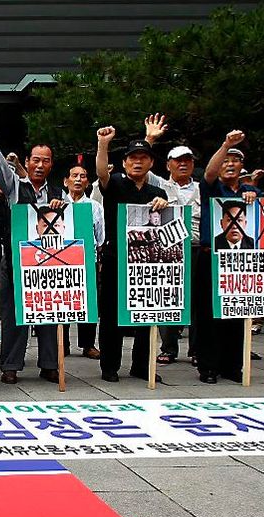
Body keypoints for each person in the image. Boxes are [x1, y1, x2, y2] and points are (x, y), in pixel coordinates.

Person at [0, 108, 64, 383]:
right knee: (14, 315)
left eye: (46, 161)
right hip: (15, 260)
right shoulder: (15, 186)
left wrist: (62, 209)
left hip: (50, 264)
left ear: (51, 165)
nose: (40, 165)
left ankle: (50, 363)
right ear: (27, 161)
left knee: (50, 310)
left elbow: (73, 225)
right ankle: (11, 365)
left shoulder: (59, 193)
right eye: (35, 160)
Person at [95, 128, 169, 383]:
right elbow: (101, 172)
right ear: (125, 162)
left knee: (148, 315)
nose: (137, 162)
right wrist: (103, 144)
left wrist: (165, 205)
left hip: (148, 263)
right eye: (132, 158)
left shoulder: (157, 193)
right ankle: (109, 366)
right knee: (111, 316)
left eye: (143, 157)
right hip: (116, 258)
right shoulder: (114, 183)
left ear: (150, 162)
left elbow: (168, 225)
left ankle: (141, 365)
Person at [193, 130, 259, 384]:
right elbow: (209, 172)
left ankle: (232, 365)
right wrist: (226, 144)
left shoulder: (248, 190)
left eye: (235, 160)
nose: (229, 164)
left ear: (242, 167)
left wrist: (253, 197)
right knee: (209, 315)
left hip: (241, 262)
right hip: (211, 257)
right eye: (225, 160)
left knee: (237, 313)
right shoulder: (211, 187)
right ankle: (208, 366)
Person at [143, 115, 203, 365]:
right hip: (170, 250)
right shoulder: (159, 184)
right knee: (169, 296)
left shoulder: (202, 187)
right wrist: (149, 139)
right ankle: (168, 347)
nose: (183, 165)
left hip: (198, 247)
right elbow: (141, 166)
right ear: (168, 164)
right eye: (178, 161)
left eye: (187, 161)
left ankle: (197, 349)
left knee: (198, 301)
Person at [62, 164, 105, 359]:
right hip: (62, 260)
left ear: (88, 182)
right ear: (66, 181)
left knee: (88, 302)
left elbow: (100, 237)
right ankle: (62, 343)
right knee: (62, 302)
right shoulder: (58, 204)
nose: (79, 179)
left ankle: (88, 344)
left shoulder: (94, 206)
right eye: (74, 175)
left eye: (83, 176)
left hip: (87, 259)